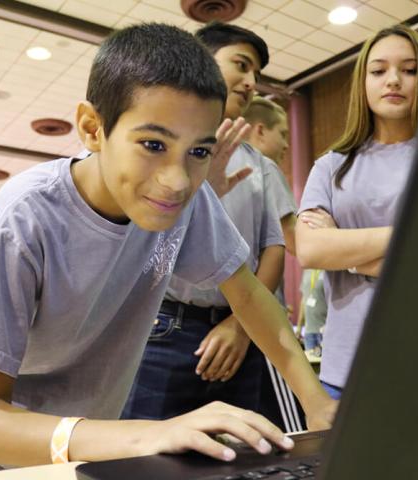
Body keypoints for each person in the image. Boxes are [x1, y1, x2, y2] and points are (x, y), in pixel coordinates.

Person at [0, 23, 334, 478]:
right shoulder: (24, 218)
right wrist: (147, 434)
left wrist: (318, 403)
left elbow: (248, 296)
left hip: (83, 448)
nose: (177, 180)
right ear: (92, 128)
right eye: (153, 145)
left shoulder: (189, 201)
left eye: (199, 151)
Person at [122, 22, 305, 432]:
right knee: (145, 452)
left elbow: (273, 247)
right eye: (241, 65)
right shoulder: (159, 150)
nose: (250, 82)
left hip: (245, 327)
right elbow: (142, 244)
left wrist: (240, 326)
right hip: (163, 326)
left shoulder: (261, 166)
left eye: (256, 74)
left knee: (243, 452)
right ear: (199, 59)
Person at [296, 24, 418, 400]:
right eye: (379, 70)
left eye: (410, 69)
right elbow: (311, 251)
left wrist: (346, 256)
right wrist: (407, 239)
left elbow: (328, 250)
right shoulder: (331, 166)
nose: (394, 80)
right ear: (362, 83)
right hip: (347, 366)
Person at [244, 96, 297, 256]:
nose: (286, 145)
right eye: (282, 134)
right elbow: (294, 240)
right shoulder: (265, 167)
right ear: (260, 131)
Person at [296, 269, 327, 357]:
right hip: (309, 331)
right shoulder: (306, 272)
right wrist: (299, 328)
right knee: (310, 366)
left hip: (324, 330)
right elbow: (303, 300)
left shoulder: (327, 270)